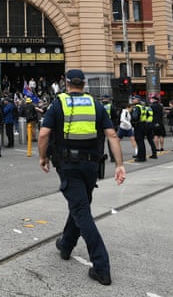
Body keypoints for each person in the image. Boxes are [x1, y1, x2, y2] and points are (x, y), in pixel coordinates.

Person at [38, 69, 126, 286]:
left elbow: (43, 134)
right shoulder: (95, 104)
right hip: (91, 166)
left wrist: (42, 157)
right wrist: (120, 164)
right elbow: (112, 135)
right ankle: (66, 245)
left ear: (66, 83)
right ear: (84, 84)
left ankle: (101, 266)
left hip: (68, 165)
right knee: (80, 204)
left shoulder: (58, 103)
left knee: (81, 211)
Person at [130, 95, 147, 162]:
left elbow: (134, 117)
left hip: (138, 125)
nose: (133, 100)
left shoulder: (136, 107)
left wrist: (132, 120)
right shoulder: (142, 107)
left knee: (139, 141)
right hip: (143, 124)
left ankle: (141, 157)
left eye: (134, 99)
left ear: (137, 100)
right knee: (141, 142)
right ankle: (142, 155)